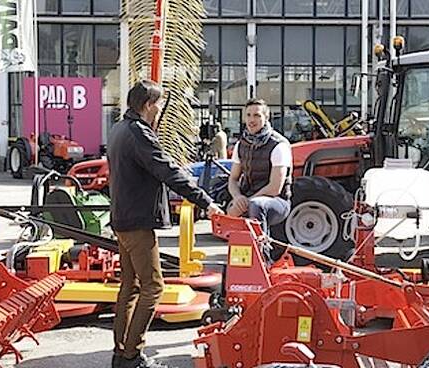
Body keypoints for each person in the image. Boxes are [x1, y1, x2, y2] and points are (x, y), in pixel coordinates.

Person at [108, 80, 223, 368]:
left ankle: (121, 353)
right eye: (159, 104)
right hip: (137, 223)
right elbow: (167, 171)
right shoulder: (139, 134)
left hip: (123, 219)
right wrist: (205, 201)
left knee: (130, 286)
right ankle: (132, 356)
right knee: (153, 287)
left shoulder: (120, 130)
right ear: (148, 105)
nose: (161, 110)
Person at [227, 98, 293, 260]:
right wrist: (237, 198)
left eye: (256, 115)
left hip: (278, 202)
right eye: (248, 115)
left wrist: (246, 202)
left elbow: (274, 188)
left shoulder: (279, 145)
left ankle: (262, 258)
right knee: (229, 210)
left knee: (257, 205)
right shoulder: (240, 145)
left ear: (266, 118)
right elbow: (233, 179)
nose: (251, 120)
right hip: (249, 198)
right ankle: (239, 263)